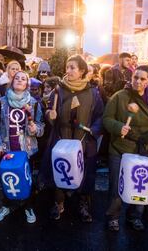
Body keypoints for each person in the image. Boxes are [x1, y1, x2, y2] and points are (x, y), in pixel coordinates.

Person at [103, 66, 148, 231]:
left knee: (141, 185)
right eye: (135, 77)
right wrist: (119, 127)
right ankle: (113, 216)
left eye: (142, 79)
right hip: (120, 148)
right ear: (131, 78)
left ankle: (135, 216)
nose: (138, 81)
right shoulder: (119, 97)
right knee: (116, 185)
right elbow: (106, 119)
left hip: (145, 149)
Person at [43, 55, 104, 223]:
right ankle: (59, 202)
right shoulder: (58, 90)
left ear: (82, 71)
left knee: (86, 172)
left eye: (72, 68)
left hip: (84, 139)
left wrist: (95, 129)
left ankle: (83, 204)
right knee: (60, 168)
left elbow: (100, 115)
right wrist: (50, 114)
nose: (68, 70)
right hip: (62, 137)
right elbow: (48, 110)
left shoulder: (92, 92)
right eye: (67, 67)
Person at [0, 71, 44, 223]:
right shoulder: (1, 102)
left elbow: (40, 125)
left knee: (27, 179)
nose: (20, 80)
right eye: (17, 78)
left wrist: (36, 129)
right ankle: (6, 205)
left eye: (24, 79)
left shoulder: (33, 103)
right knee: (8, 178)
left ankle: (28, 207)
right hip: (8, 148)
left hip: (27, 148)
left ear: (27, 84)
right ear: (12, 81)